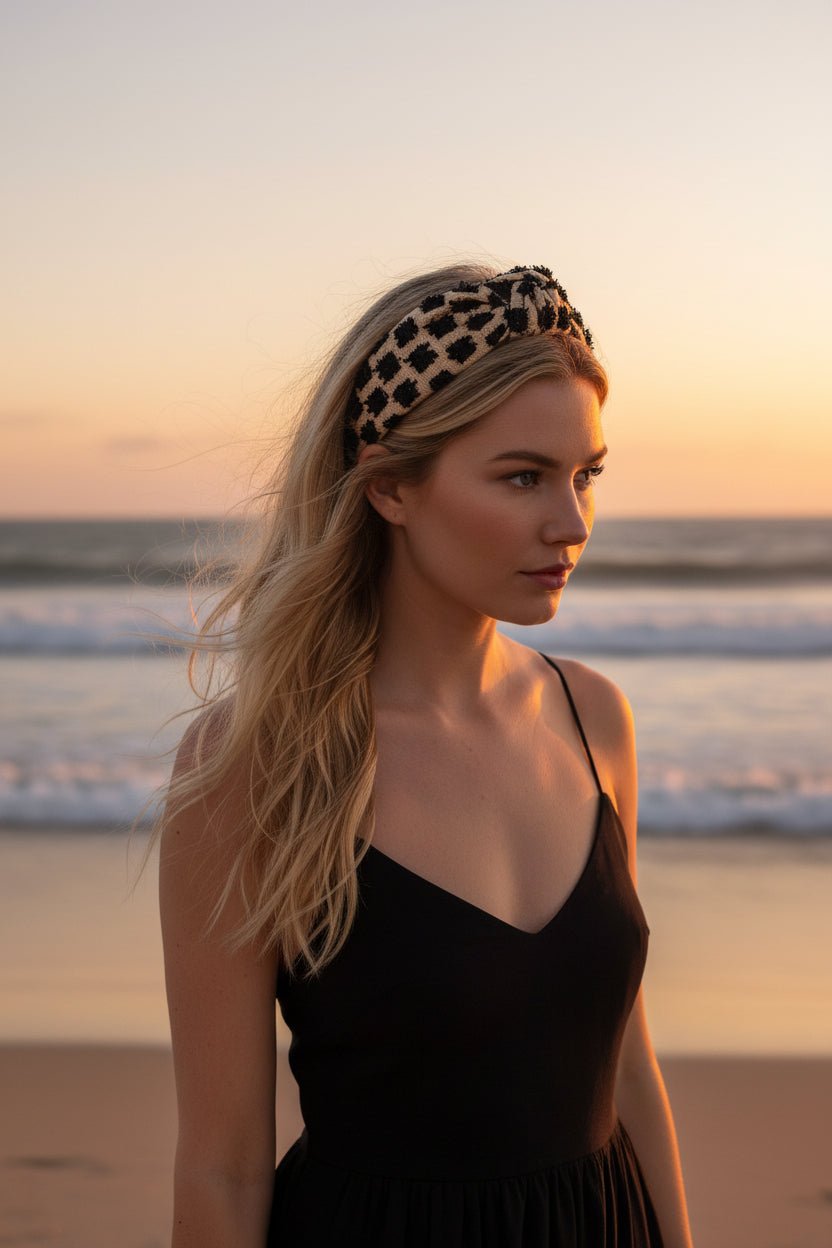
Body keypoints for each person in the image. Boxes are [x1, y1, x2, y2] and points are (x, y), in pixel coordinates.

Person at [156, 262, 695, 1246]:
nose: (570, 523)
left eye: (586, 476)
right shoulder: (250, 768)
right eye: (522, 476)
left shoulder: (593, 718)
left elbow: (625, 1070)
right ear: (392, 485)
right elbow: (223, 1170)